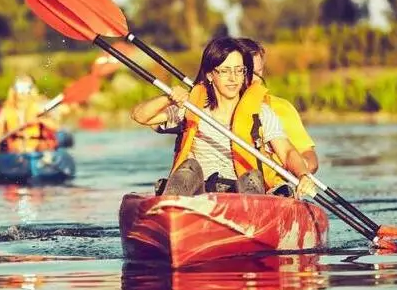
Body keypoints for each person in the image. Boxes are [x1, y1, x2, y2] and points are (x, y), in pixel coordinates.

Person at [130, 37, 316, 199]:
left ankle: (249, 218)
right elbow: (140, 116)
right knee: (187, 170)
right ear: (211, 74)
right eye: (225, 71)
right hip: (196, 191)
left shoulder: (262, 113)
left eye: (239, 71)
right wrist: (168, 97)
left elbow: (287, 152)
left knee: (252, 177)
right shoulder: (191, 109)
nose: (233, 78)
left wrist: (303, 174)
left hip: (243, 191)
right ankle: (174, 209)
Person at [237, 38, 320, 174]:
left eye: (258, 72)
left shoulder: (281, 107)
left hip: (274, 182)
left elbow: (309, 156)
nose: (254, 80)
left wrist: (299, 167)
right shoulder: (216, 108)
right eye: (247, 73)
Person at [0, 75, 60, 161]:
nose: (23, 92)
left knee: (43, 145)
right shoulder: (6, 111)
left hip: (38, 151)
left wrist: (39, 120)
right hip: (15, 154)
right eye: (20, 88)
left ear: (32, 90)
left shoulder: (40, 107)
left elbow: (55, 127)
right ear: (14, 90)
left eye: (27, 88)